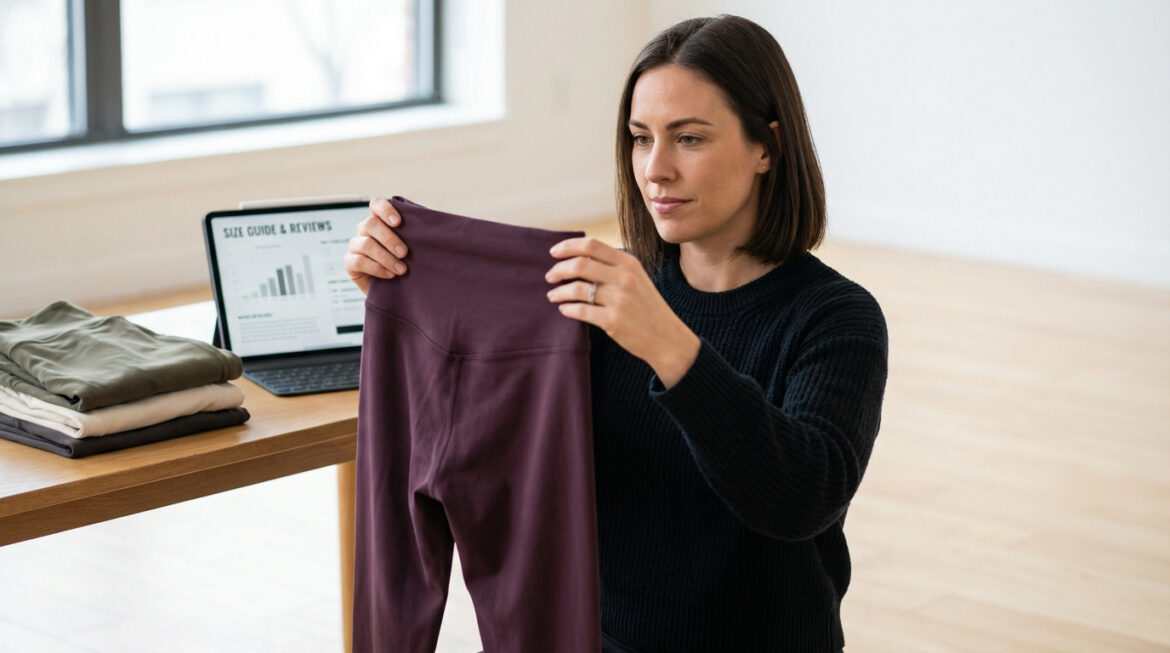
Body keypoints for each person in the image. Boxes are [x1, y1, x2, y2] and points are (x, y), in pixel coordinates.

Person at [345, 14, 887, 653]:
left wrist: (667, 343)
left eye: (688, 138)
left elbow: (800, 499)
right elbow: (493, 448)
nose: (655, 169)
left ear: (765, 146)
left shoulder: (836, 317)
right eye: (639, 138)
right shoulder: (599, 293)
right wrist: (407, 296)